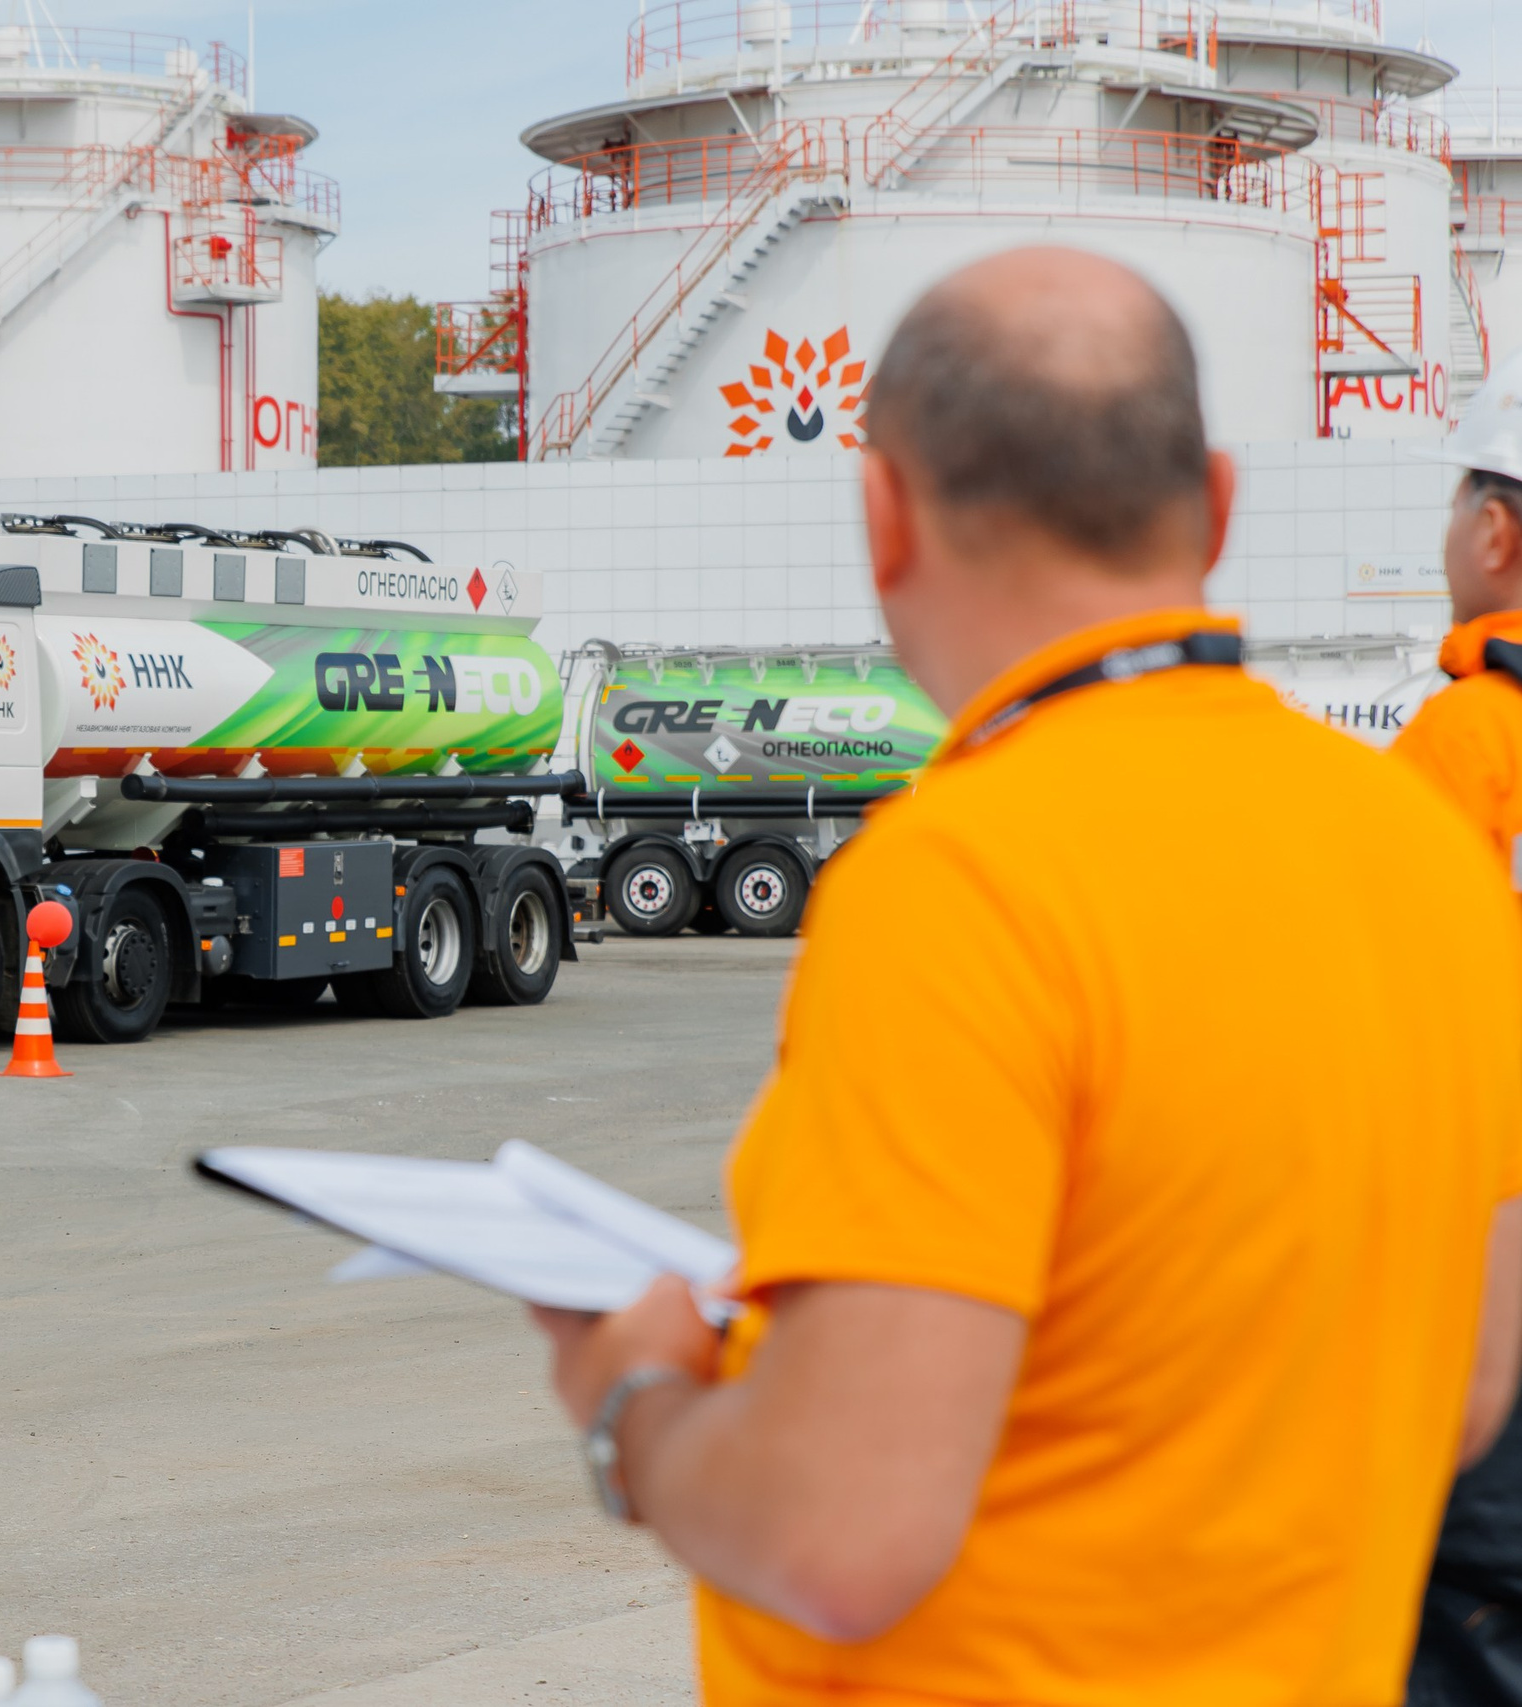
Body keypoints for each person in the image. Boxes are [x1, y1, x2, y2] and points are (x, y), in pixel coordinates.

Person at [533, 247, 1522, 1707]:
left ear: (883, 517)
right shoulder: (1423, 848)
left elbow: (841, 1533)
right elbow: (1467, 1387)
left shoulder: (957, 880)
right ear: (1221, 506)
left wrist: (631, 1402)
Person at [1396, 358, 1522, 1707]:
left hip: (1493, 1249)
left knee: (1469, 1605)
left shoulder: (1465, 741)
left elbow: (1395, 1021)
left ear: (1495, 528)